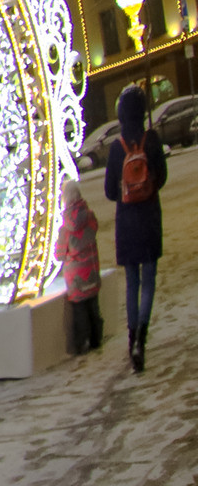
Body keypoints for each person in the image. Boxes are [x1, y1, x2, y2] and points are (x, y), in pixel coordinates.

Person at [106, 84, 167, 374]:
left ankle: (132, 340)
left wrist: (126, 193)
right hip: (150, 218)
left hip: (127, 222)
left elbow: (108, 191)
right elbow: (163, 177)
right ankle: (142, 337)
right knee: (149, 280)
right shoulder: (151, 140)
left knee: (132, 282)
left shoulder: (117, 148)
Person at [58, 185, 104, 356]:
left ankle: (80, 343)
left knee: (80, 310)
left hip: (75, 277)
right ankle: (96, 339)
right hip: (91, 269)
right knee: (93, 306)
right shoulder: (90, 217)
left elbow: (59, 254)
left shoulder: (64, 229)